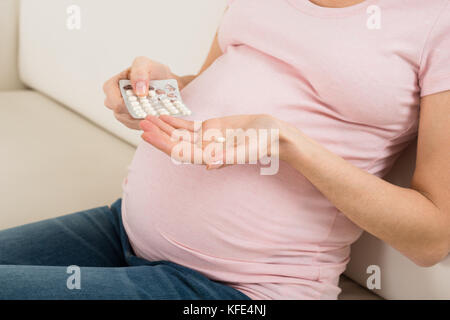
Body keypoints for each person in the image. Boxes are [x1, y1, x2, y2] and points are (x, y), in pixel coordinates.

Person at [1, 0, 449, 300]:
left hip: (239, 292)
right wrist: (161, 89)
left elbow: (433, 237)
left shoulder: (437, 22)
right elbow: (219, 84)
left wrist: (289, 143)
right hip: (123, 228)